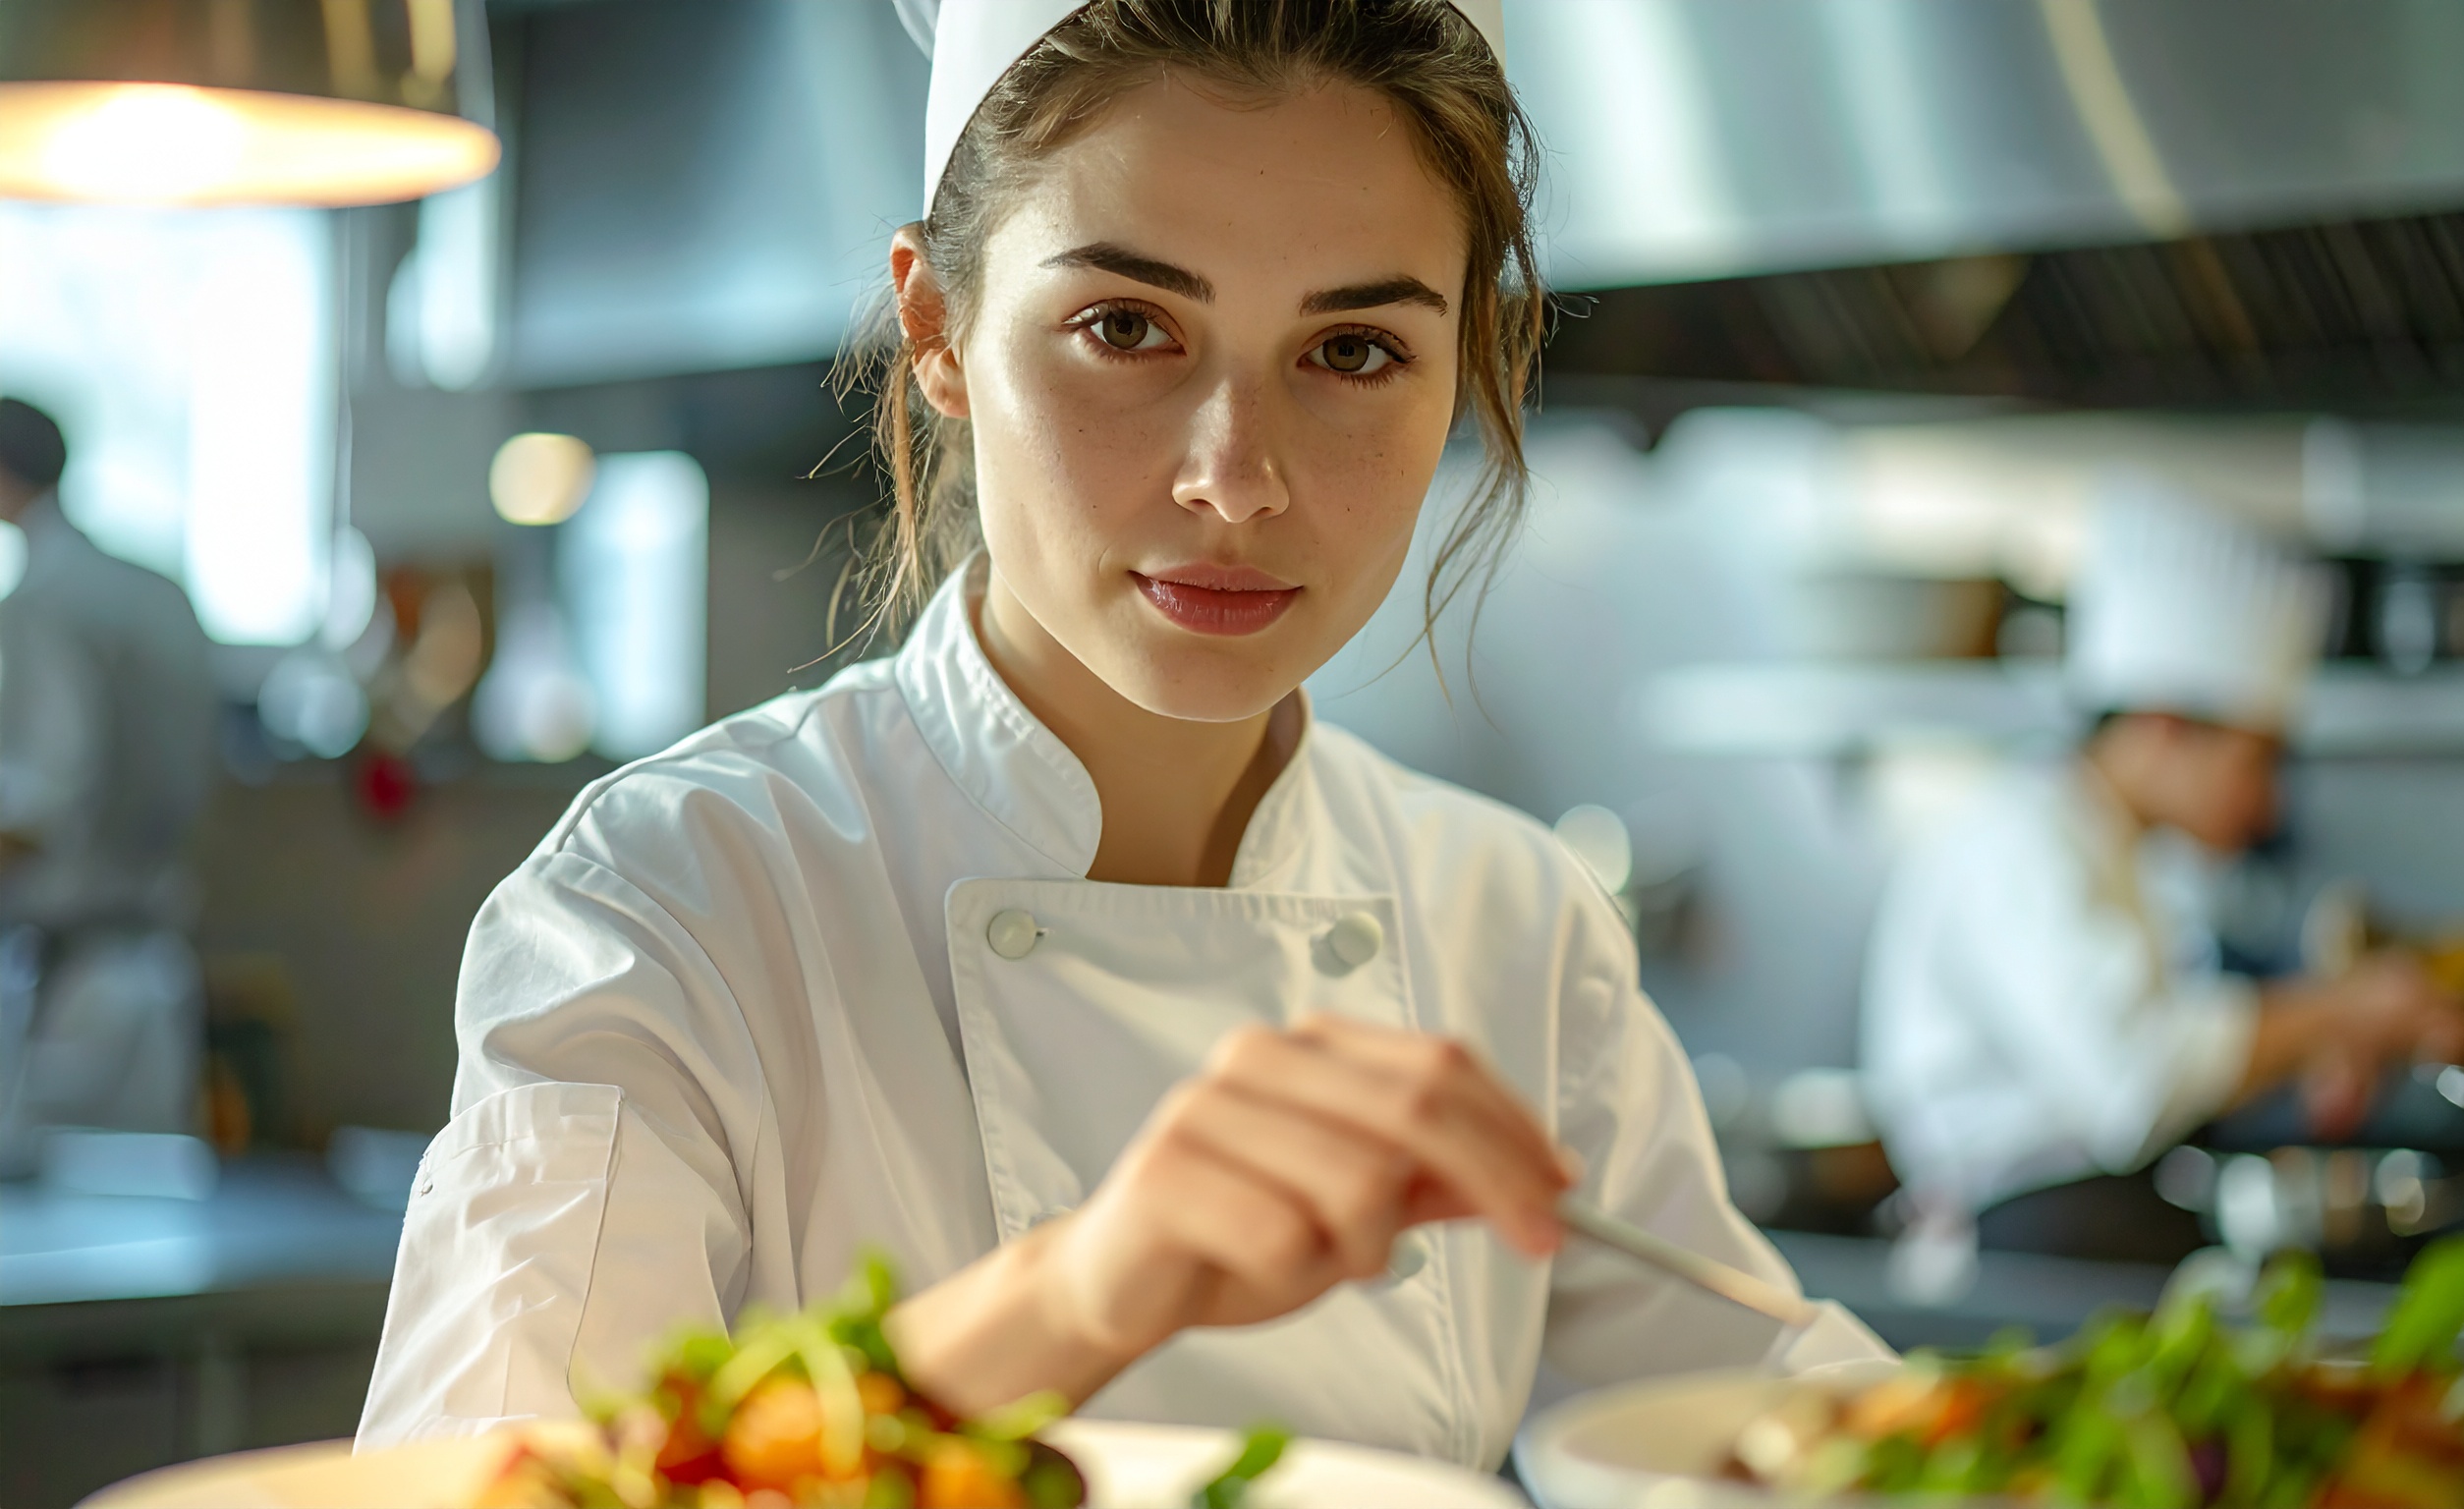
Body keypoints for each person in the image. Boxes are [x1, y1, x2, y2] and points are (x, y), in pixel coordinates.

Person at [359, 0, 1886, 1464]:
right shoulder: (677, 904)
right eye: (1125, 326)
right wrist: (1072, 1301)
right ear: (938, 325)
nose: (1239, 477)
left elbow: (1777, 1426)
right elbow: (493, 1485)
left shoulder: (1508, 927)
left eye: (1353, 350)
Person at [1860, 481, 2464, 1266]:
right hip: (2025, 1256)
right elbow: (2132, 1085)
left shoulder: (2123, 849)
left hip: (2101, 1240)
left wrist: (2320, 1046)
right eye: (2256, 760)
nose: (2266, 805)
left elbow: (2179, 1052)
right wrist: (2345, 1013)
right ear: (2165, 726)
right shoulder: (2016, 837)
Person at [0, 398, 217, 1173]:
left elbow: (38, 805)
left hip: (72, 984)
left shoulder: (40, 605)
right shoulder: (155, 590)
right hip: (157, 970)